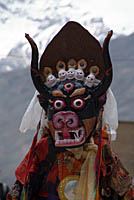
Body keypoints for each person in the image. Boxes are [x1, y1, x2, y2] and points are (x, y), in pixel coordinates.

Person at [7, 21, 134, 200]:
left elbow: (126, 193)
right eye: (58, 106)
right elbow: (20, 188)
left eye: (78, 105)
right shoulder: (42, 151)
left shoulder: (101, 152)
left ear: (99, 106)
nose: (66, 118)